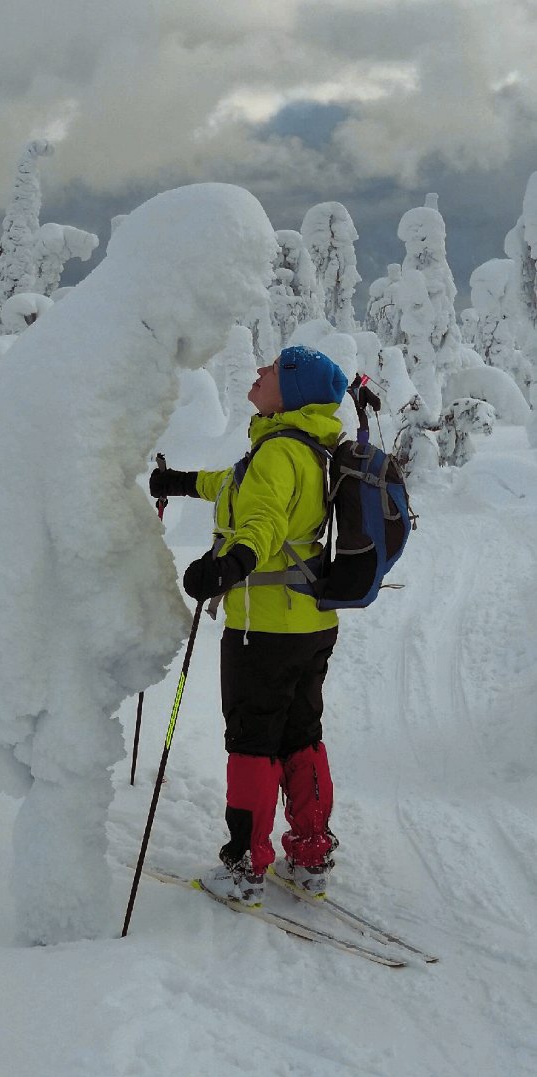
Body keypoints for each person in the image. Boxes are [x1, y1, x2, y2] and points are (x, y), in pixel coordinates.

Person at [150, 344, 348, 904]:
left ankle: (244, 867)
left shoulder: (276, 454)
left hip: (262, 632)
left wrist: (226, 565)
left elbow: (260, 524)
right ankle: (310, 855)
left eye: (273, 369)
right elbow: (235, 487)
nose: (259, 372)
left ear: (293, 391)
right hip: (311, 625)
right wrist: (182, 483)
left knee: (252, 743)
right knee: (301, 735)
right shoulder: (303, 447)